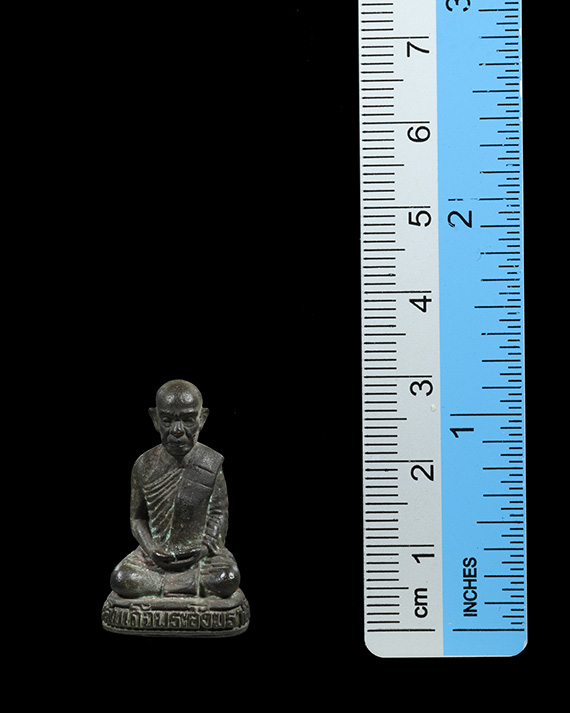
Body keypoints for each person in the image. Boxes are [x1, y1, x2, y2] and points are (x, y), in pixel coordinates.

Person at [110, 379, 240, 599]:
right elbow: (137, 518)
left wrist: (205, 548)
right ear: (155, 419)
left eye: (188, 420)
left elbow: (219, 513)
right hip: (156, 555)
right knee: (122, 578)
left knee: (227, 577)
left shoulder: (210, 462)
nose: (177, 430)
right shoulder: (144, 465)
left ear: (202, 418)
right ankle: (186, 585)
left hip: (199, 555)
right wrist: (151, 549)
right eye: (167, 420)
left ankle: (162, 586)